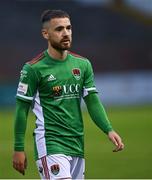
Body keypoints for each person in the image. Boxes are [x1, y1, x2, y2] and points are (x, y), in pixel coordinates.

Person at [12, 9, 124, 179]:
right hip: (50, 143)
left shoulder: (83, 64)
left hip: (76, 142)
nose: (66, 33)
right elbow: (21, 109)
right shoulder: (33, 69)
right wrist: (19, 148)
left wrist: (108, 129)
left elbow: (92, 101)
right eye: (59, 29)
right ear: (45, 34)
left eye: (68, 28)